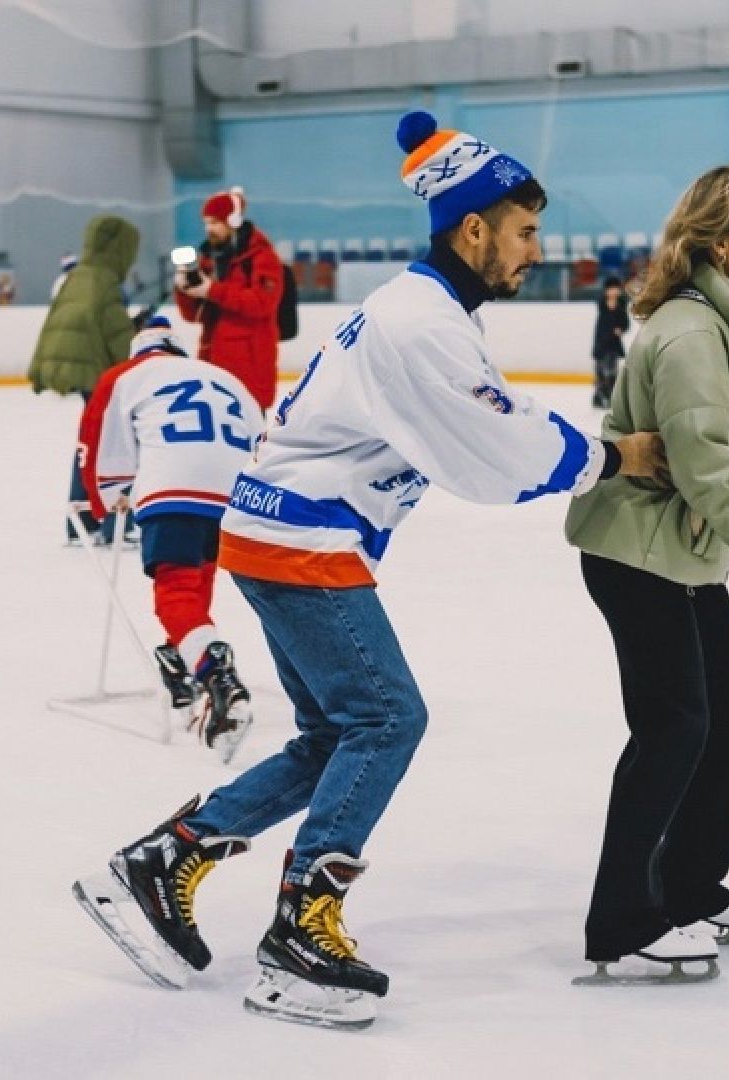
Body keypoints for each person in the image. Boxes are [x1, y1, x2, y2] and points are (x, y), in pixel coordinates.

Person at [71, 110, 666, 1031]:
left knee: (331, 735)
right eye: (522, 231)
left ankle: (163, 863)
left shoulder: (423, 311)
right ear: (473, 231)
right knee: (388, 718)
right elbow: (499, 444)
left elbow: (481, 428)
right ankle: (298, 932)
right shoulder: (420, 323)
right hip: (299, 538)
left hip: (276, 528)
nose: (534, 250)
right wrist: (613, 457)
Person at [564, 166, 729, 985]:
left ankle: (685, 884)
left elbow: (715, 432)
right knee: (674, 725)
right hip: (635, 554)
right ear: (721, 243)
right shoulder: (691, 334)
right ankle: (622, 920)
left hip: (672, 553)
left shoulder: (715, 323)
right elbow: (706, 467)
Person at [76, 315, 264, 753]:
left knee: (175, 591)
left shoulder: (127, 375)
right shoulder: (225, 378)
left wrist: (109, 495)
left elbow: (99, 438)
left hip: (173, 486)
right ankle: (178, 658)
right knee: (199, 578)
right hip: (235, 493)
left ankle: (217, 676)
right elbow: (263, 438)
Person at [28, 216, 141, 543]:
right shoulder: (105, 281)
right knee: (118, 445)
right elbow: (117, 336)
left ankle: (81, 523)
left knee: (91, 444)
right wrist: (140, 356)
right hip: (96, 371)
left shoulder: (78, 276)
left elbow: (66, 322)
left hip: (78, 368)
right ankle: (115, 524)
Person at [173, 187, 284, 411]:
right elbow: (193, 316)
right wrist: (184, 290)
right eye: (206, 223)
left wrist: (211, 290)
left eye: (215, 222)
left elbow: (261, 303)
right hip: (213, 363)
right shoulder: (208, 259)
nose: (209, 229)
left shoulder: (262, 258)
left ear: (233, 221)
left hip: (249, 366)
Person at [591, 276, 630, 408]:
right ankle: (598, 396)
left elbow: (625, 323)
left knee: (611, 372)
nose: (613, 291)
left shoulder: (621, 306)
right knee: (600, 372)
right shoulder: (602, 304)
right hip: (601, 343)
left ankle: (610, 397)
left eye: (615, 289)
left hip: (613, 345)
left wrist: (621, 329)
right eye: (611, 289)